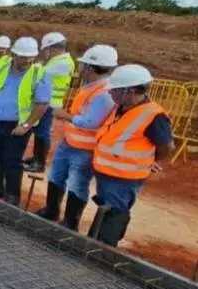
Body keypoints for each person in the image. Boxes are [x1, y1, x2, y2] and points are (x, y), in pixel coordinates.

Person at [89, 65, 174, 246]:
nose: (110, 93)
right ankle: (96, 241)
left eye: (115, 90)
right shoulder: (122, 107)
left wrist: (153, 160)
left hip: (124, 178)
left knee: (115, 211)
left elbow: (166, 145)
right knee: (106, 208)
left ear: (130, 91)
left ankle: (103, 249)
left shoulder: (154, 116)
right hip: (108, 172)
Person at [36, 45, 118, 230]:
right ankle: (51, 210)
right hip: (70, 142)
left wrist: (64, 115)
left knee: (77, 184)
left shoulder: (104, 93)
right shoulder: (92, 87)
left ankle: (70, 222)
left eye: (82, 64)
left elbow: (91, 122)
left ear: (90, 67)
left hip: (84, 149)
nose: (79, 68)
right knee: (57, 175)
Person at [0, 37, 50, 205]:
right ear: (14, 54)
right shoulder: (2, 67)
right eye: (22, 56)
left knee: (11, 159)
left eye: (29, 57)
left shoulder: (38, 73)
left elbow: (42, 104)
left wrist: (26, 125)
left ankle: (12, 195)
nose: (26, 60)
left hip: (16, 126)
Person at [24, 32, 75, 173]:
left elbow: (38, 73)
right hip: (47, 102)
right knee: (39, 131)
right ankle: (36, 158)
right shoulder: (58, 60)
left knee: (42, 133)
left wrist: (36, 65)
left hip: (49, 104)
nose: (44, 53)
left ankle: (39, 163)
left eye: (46, 49)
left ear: (53, 48)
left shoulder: (63, 62)